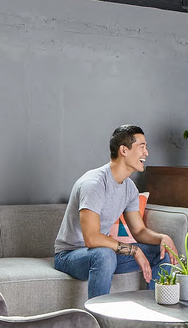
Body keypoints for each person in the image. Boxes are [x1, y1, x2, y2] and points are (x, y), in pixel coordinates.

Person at [54, 125, 177, 299]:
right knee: (104, 255)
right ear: (124, 150)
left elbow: (139, 231)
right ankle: (98, 320)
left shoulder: (129, 188)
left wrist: (162, 238)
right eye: (142, 146)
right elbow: (92, 238)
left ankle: (157, 312)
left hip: (104, 255)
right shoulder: (94, 184)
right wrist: (133, 251)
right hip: (70, 256)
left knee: (160, 250)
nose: (146, 153)